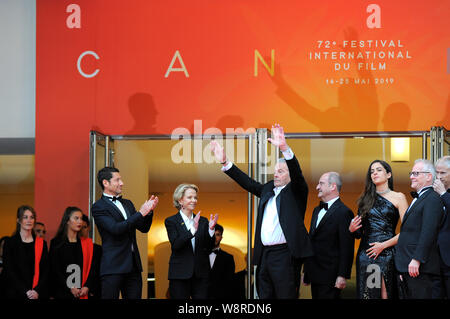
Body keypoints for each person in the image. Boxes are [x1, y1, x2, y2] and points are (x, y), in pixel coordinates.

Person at [210, 123, 313, 299]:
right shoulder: (268, 189)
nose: (276, 174)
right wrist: (226, 163)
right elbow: (248, 183)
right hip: (265, 254)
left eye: (281, 171)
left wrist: (284, 148)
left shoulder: (296, 191)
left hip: (285, 255)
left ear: (289, 175)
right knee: (264, 298)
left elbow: (297, 173)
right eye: (275, 171)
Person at [91, 166, 158, 299]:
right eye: (117, 180)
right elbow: (115, 229)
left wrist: (148, 212)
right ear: (105, 183)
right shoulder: (98, 207)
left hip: (133, 266)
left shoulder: (127, 203)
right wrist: (140, 213)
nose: (122, 183)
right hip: (113, 266)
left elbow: (143, 228)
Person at [349, 160, 408, 299]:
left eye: (378, 170)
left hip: (387, 252)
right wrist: (352, 229)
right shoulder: (365, 199)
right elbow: (359, 233)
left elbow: (407, 232)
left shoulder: (399, 197)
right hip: (368, 254)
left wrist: (383, 245)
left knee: (385, 293)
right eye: (372, 171)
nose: (374, 173)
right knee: (370, 294)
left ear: (388, 174)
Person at [394, 159, 444, 299]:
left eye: (416, 173)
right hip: (409, 265)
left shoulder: (432, 198)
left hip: (419, 266)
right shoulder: (421, 197)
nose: (411, 176)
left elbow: (429, 230)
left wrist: (417, 259)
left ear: (429, 176)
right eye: (411, 173)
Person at [303, 172, 354, 299]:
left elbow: (346, 246)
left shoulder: (344, 212)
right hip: (314, 273)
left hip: (331, 276)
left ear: (333, 187)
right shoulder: (316, 210)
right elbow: (311, 240)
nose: (317, 187)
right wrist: (306, 271)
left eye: (321, 183)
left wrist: (342, 275)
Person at [165, 183, 218, 299]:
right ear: (180, 200)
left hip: (201, 274)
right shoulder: (171, 221)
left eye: (195, 197)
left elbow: (209, 248)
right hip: (180, 274)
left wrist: (211, 230)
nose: (194, 200)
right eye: (189, 197)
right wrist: (192, 229)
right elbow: (176, 244)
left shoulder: (203, 221)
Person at [49, 207, 100, 299]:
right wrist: (71, 287)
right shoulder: (56, 243)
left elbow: (92, 268)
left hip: (83, 292)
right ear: (67, 221)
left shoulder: (87, 244)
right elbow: (55, 269)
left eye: (80, 218)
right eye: (76, 218)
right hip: (62, 292)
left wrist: (87, 286)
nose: (80, 221)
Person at [2, 205, 49, 299]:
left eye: (32, 217)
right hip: (15, 293)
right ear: (18, 220)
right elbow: (9, 270)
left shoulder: (41, 243)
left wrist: (37, 291)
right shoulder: (9, 243)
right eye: (25, 217)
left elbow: (46, 270)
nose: (29, 220)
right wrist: (25, 291)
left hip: (36, 294)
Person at [433, 156, 450, 298]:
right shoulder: (434, 194)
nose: (439, 177)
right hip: (434, 260)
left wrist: (444, 194)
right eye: (437, 172)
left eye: (443, 173)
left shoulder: (442, 194)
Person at [208, 224, 236, 299]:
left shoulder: (228, 258)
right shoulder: (200, 255)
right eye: (212, 234)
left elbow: (229, 283)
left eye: (217, 235)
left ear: (221, 237)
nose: (214, 238)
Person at [80, 213, 102, 299]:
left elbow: (96, 270)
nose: (82, 230)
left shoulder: (97, 249)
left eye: (84, 227)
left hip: (92, 291)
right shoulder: (71, 246)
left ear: (89, 228)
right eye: (80, 227)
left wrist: (88, 286)